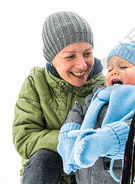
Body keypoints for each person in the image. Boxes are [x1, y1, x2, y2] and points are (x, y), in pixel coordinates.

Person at [12, 11, 105, 184]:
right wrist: (70, 140)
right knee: (45, 157)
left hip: (88, 176)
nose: (82, 64)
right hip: (46, 175)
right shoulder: (36, 83)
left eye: (87, 53)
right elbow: (24, 137)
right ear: (51, 59)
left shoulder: (105, 88)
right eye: (70, 56)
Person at [57, 41, 135, 183]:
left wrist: (105, 140)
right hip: (84, 179)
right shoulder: (98, 96)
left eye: (123, 67)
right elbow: (78, 111)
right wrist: (68, 135)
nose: (114, 72)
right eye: (110, 69)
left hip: (115, 177)